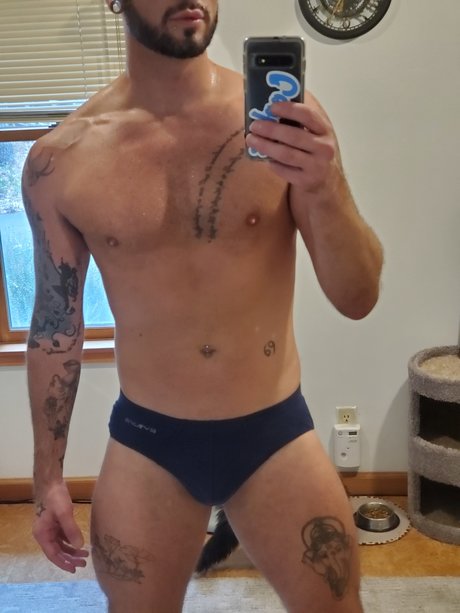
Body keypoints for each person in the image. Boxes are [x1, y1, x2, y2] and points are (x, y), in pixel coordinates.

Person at [24, 1, 383, 611]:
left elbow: (359, 298)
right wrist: (47, 479)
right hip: (149, 443)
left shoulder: (283, 124)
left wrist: (327, 186)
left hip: (275, 435)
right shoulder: (62, 160)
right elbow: (56, 329)